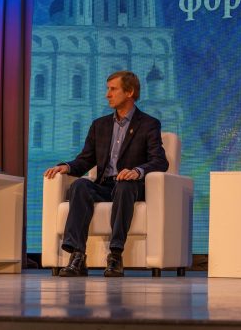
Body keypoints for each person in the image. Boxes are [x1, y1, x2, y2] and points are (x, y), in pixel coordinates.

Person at [44, 70, 168, 277]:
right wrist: (67, 167)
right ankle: (77, 255)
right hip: (104, 185)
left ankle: (115, 255)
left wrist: (137, 171)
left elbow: (160, 161)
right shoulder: (99, 125)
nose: (107, 94)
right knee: (80, 185)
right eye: (107, 89)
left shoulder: (148, 124)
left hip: (130, 186)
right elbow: (86, 159)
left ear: (129, 92)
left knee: (124, 186)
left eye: (113, 89)